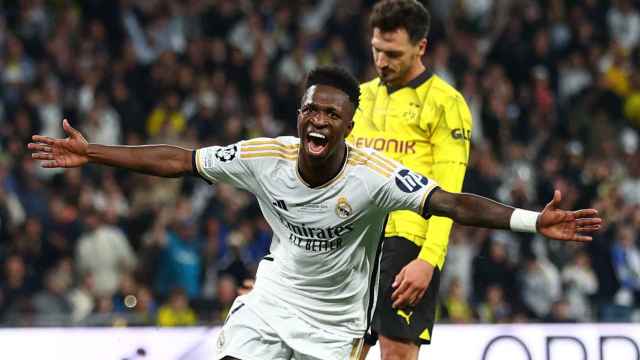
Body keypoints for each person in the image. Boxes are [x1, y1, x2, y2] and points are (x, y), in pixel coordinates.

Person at [28, 66, 601, 360]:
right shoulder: (263, 157)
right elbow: (179, 160)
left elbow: (448, 202)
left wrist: (532, 221)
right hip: (272, 302)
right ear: (299, 115)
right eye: (310, 110)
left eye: (331, 113)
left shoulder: (375, 177)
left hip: (337, 327)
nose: (318, 121)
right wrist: (92, 152)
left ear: (348, 125)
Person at [348, 1, 472, 358]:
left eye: (392, 53)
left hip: (408, 242)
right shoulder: (359, 98)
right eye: (376, 51)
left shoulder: (446, 103)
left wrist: (428, 260)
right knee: (341, 350)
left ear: (421, 47)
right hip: (354, 239)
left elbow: (449, 193)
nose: (382, 61)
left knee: (396, 353)